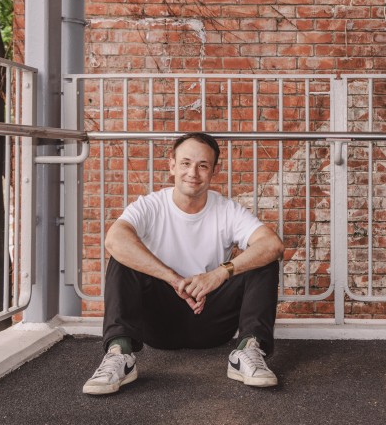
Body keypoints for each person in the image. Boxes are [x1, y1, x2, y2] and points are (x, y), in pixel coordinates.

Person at [83, 131, 285, 395]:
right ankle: (119, 354)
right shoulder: (151, 205)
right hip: (159, 324)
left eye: (203, 165)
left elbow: (273, 245)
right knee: (122, 259)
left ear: (214, 170)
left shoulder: (226, 210)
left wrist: (218, 274)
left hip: (212, 319)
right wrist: (173, 278)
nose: (193, 172)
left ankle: (248, 351)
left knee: (262, 259)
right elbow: (115, 239)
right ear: (172, 166)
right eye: (186, 163)